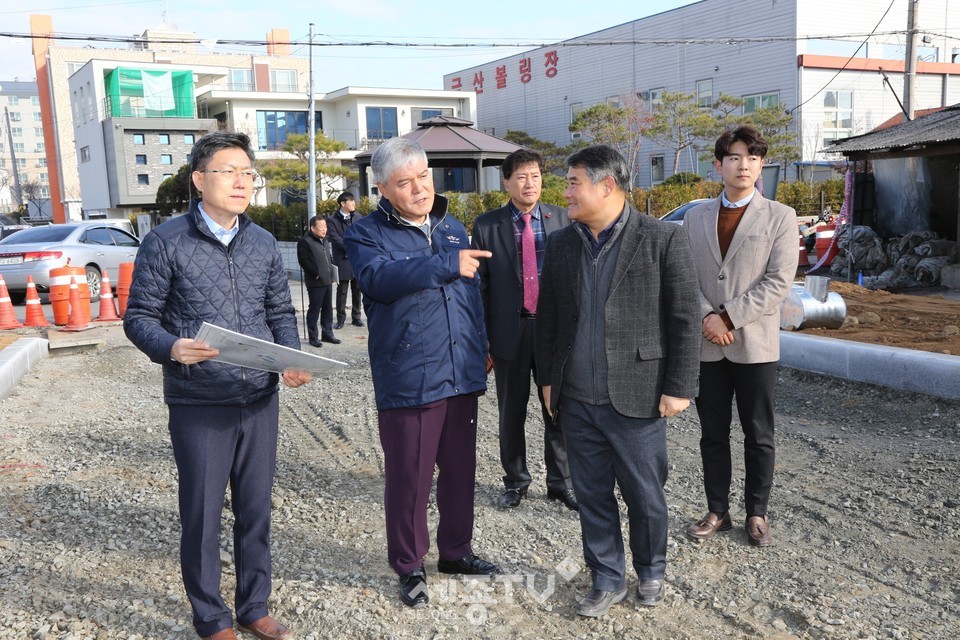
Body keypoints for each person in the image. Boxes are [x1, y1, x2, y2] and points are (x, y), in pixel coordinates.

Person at [124, 131, 310, 640]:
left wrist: (289, 359)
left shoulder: (264, 242)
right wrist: (171, 348)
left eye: (248, 171)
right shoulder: (166, 240)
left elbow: (278, 311)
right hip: (200, 403)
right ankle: (210, 617)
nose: (241, 180)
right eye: (228, 170)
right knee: (202, 516)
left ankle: (254, 606)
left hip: (258, 399)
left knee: (256, 512)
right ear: (199, 180)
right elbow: (138, 316)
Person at [536, 144, 700, 618]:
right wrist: (549, 379)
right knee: (590, 494)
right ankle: (606, 577)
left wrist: (680, 386)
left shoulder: (662, 239)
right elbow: (549, 317)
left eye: (573, 182)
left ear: (606, 186)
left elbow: (686, 317)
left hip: (639, 393)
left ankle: (651, 571)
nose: (564, 191)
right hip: (577, 396)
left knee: (645, 493)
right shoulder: (565, 243)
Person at [343, 137, 501, 609]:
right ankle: (409, 564)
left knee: (459, 470)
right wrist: (443, 265)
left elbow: (472, 295)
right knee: (410, 475)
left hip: (461, 369)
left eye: (424, 177)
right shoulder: (366, 232)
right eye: (404, 182)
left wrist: (482, 345)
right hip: (409, 371)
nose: (419, 189)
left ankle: (456, 551)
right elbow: (378, 280)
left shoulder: (452, 227)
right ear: (382, 189)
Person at [683, 125, 799, 548]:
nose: (743, 164)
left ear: (761, 164)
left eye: (751, 157)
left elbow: (779, 281)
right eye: (734, 157)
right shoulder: (695, 217)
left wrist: (728, 318)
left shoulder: (780, 217)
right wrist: (705, 318)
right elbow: (685, 277)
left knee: (759, 433)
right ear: (719, 165)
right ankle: (718, 509)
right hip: (705, 346)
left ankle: (757, 513)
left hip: (755, 345)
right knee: (712, 433)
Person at [471, 149, 577, 511]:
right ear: (506, 182)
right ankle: (515, 481)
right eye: (520, 177)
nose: (529, 183)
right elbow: (480, 287)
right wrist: (483, 337)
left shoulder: (563, 219)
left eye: (534, 175)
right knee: (510, 411)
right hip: (509, 333)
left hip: (554, 333)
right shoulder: (487, 226)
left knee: (557, 409)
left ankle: (560, 482)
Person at [297, 216, 340, 347]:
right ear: (312, 228)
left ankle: (327, 334)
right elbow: (303, 261)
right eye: (321, 228)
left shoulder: (325, 240)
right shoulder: (305, 242)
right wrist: (316, 274)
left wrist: (333, 272)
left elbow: (329, 257)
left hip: (327, 280)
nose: (324, 230)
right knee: (315, 309)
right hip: (315, 282)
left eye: (325, 227)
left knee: (328, 309)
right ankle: (313, 337)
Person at [326, 191, 364, 329]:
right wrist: (351, 247)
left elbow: (362, 235)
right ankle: (340, 319)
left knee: (357, 288)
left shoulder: (358, 217)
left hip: (357, 258)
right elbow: (335, 239)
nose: (354, 203)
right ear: (343, 203)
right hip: (342, 258)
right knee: (342, 290)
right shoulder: (332, 219)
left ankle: (356, 317)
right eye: (351, 201)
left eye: (354, 201)